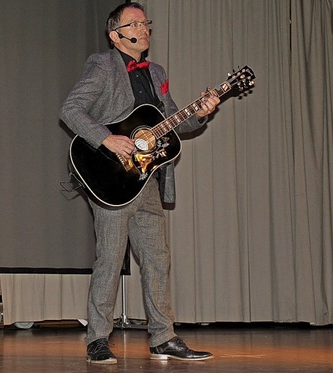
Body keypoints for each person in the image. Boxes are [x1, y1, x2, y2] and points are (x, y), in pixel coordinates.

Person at [60, 2, 220, 365]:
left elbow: (175, 122)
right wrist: (108, 139)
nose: (144, 28)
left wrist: (202, 113)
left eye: (146, 22)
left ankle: (164, 337)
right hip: (109, 178)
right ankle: (97, 339)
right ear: (116, 35)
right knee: (111, 259)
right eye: (135, 23)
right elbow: (71, 109)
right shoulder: (102, 64)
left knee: (157, 260)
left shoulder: (156, 71)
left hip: (146, 179)